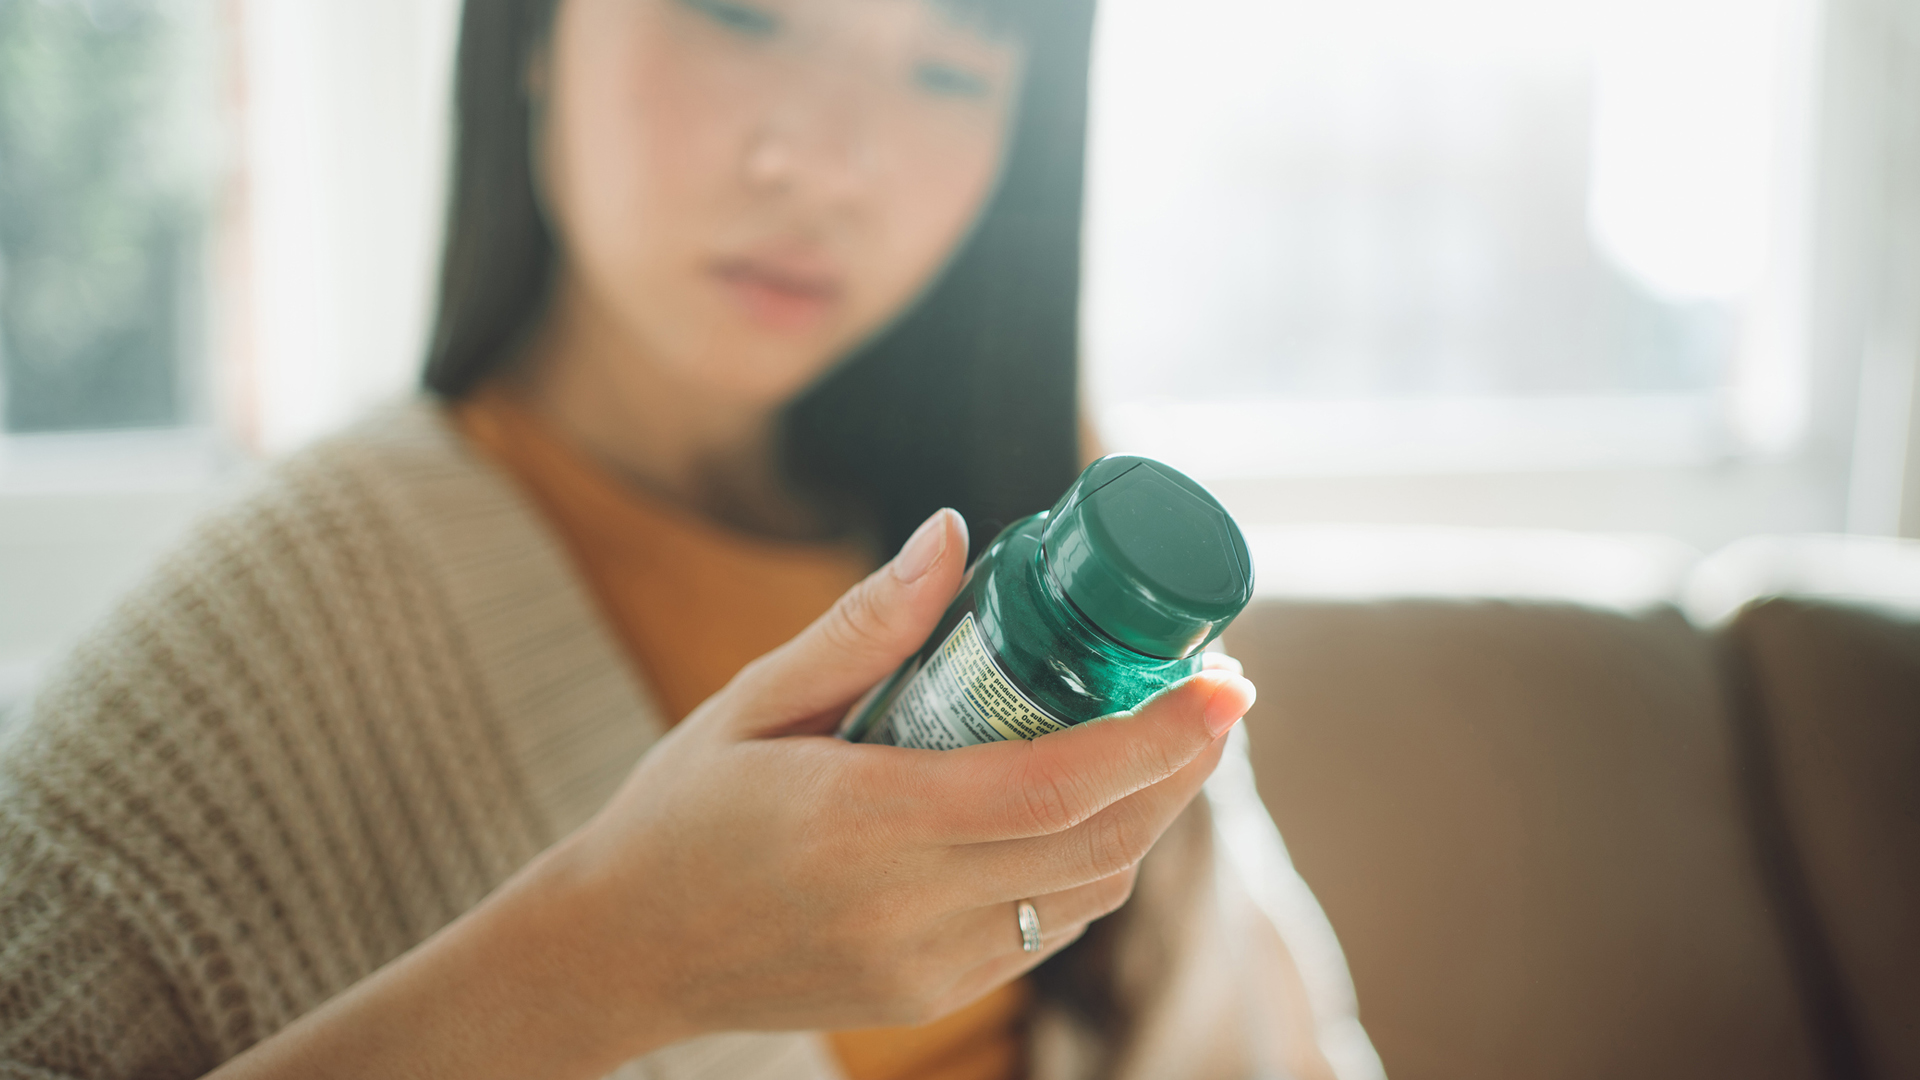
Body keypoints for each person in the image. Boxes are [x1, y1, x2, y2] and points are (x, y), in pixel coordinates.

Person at [0, 0, 1377, 1077]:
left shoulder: (1059, 551)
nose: (828, 162)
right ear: (534, 26)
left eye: (952, 69)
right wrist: (601, 966)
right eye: (741, 11)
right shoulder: (288, 607)